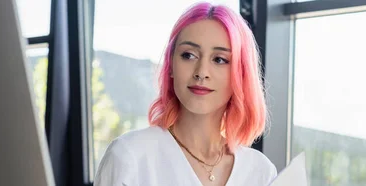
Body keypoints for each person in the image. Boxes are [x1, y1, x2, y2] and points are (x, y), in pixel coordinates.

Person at [94, 1, 277, 186]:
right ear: (171, 65)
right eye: (188, 55)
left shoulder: (261, 171)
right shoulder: (129, 157)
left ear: (241, 74)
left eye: (220, 59)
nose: (201, 71)